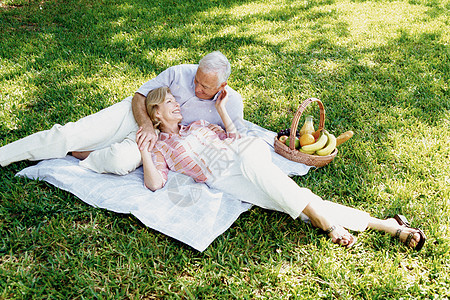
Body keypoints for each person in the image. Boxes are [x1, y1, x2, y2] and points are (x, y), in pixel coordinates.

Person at [138, 86, 427, 250]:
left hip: (241, 153)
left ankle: (328, 225)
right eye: (169, 102)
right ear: (155, 113)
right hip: (220, 177)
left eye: (176, 100)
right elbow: (155, 183)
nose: (176, 105)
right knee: (293, 200)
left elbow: (235, 137)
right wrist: (144, 151)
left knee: (253, 160)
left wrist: (223, 110)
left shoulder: (199, 124)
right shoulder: (161, 147)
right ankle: (386, 225)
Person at [0, 51, 244, 175]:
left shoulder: (232, 104)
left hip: (160, 140)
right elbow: (140, 95)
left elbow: (234, 142)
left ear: (221, 86)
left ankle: (87, 154)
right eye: (196, 80)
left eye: (205, 87)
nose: (197, 87)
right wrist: (146, 124)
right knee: (67, 135)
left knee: (120, 162)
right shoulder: (180, 72)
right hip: (134, 114)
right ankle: (5, 155)